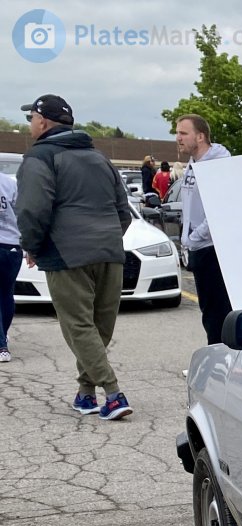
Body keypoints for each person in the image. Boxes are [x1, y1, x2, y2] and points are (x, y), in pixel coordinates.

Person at [14, 94, 133, 418]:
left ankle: (113, 395)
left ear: (43, 121)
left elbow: (31, 209)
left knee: (79, 326)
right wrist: (105, 239)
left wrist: (33, 246)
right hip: (109, 252)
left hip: (66, 255)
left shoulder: (39, 158)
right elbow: (123, 211)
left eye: (31, 118)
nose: (30, 124)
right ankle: (85, 393)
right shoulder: (99, 158)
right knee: (99, 327)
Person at [174, 114, 232, 344]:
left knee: (219, 311)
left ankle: (222, 360)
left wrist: (195, 237)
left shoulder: (218, 165)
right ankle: (215, 357)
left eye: (183, 133)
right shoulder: (193, 164)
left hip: (212, 249)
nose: (178, 138)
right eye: (177, 133)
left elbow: (221, 209)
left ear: (200, 136)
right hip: (198, 247)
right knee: (208, 311)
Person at [0, 164, 19, 363]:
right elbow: (22, 214)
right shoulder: (10, 183)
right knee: (6, 292)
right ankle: (3, 336)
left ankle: (1, 346)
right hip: (11, 244)